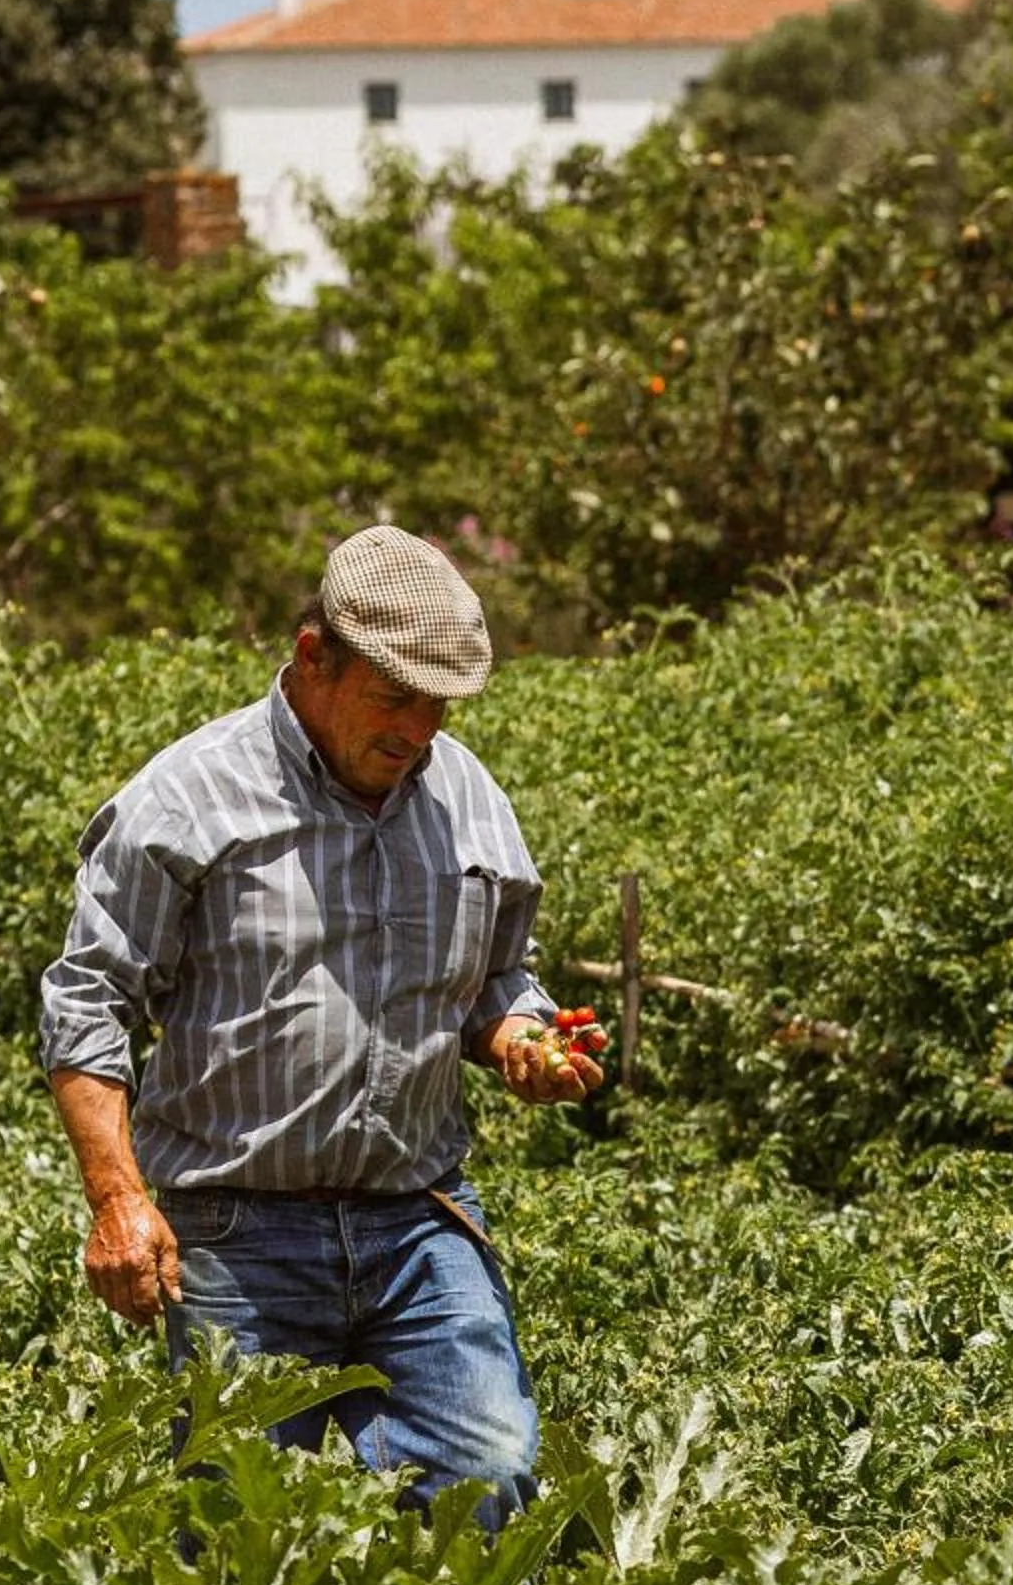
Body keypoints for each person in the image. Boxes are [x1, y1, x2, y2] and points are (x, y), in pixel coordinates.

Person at [37, 525, 602, 1528]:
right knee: (233, 1526)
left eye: (440, 704)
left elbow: (497, 977)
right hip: (235, 1229)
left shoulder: (467, 798)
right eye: (395, 696)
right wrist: (118, 1199)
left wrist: (521, 1036)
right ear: (312, 659)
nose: (419, 729)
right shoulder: (188, 798)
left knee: (493, 1475)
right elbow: (90, 1002)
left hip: (419, 1217)